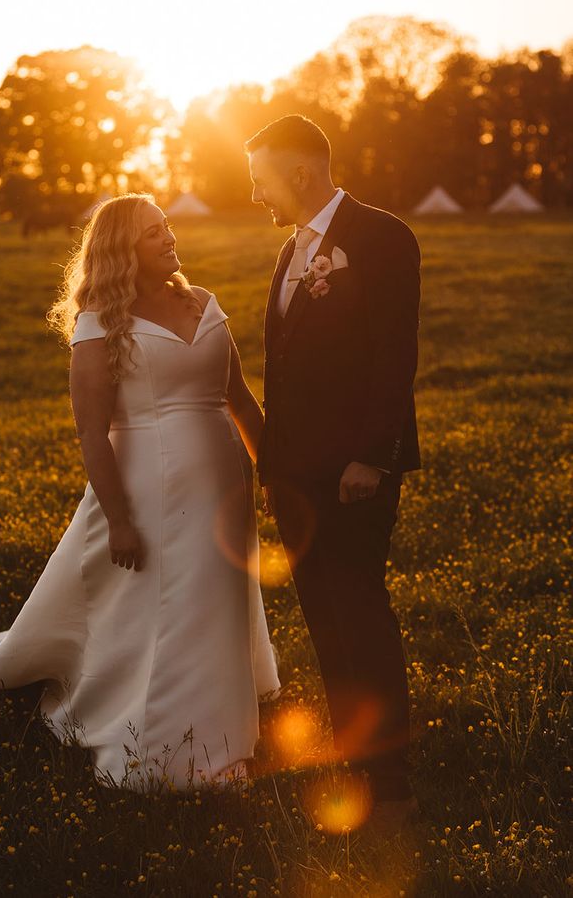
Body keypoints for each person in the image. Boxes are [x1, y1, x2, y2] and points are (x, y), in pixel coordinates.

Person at [0, 194, 281, 792]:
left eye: (166, 228)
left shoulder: (204, 302)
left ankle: (226, 726)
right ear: (122, 251)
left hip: (224, 486)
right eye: (153, 233)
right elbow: (92, 431)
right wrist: (120, 520)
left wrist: (277, 477)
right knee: (174, 607)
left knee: (217, 599)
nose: (168, 238)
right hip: (147, 486)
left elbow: (238, 398)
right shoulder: (99, 324)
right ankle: (169, 748)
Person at [246, 114, 420, 835]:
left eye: (260, 180)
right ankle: (354, 751)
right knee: (323, 616)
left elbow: (393, 355)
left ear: (299, 173)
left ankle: (394, 780)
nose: (254, 195)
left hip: (354, 470)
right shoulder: (293, 249)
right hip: (296, 474)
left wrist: (373, 456)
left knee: (360, 612)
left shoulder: (381, 237)